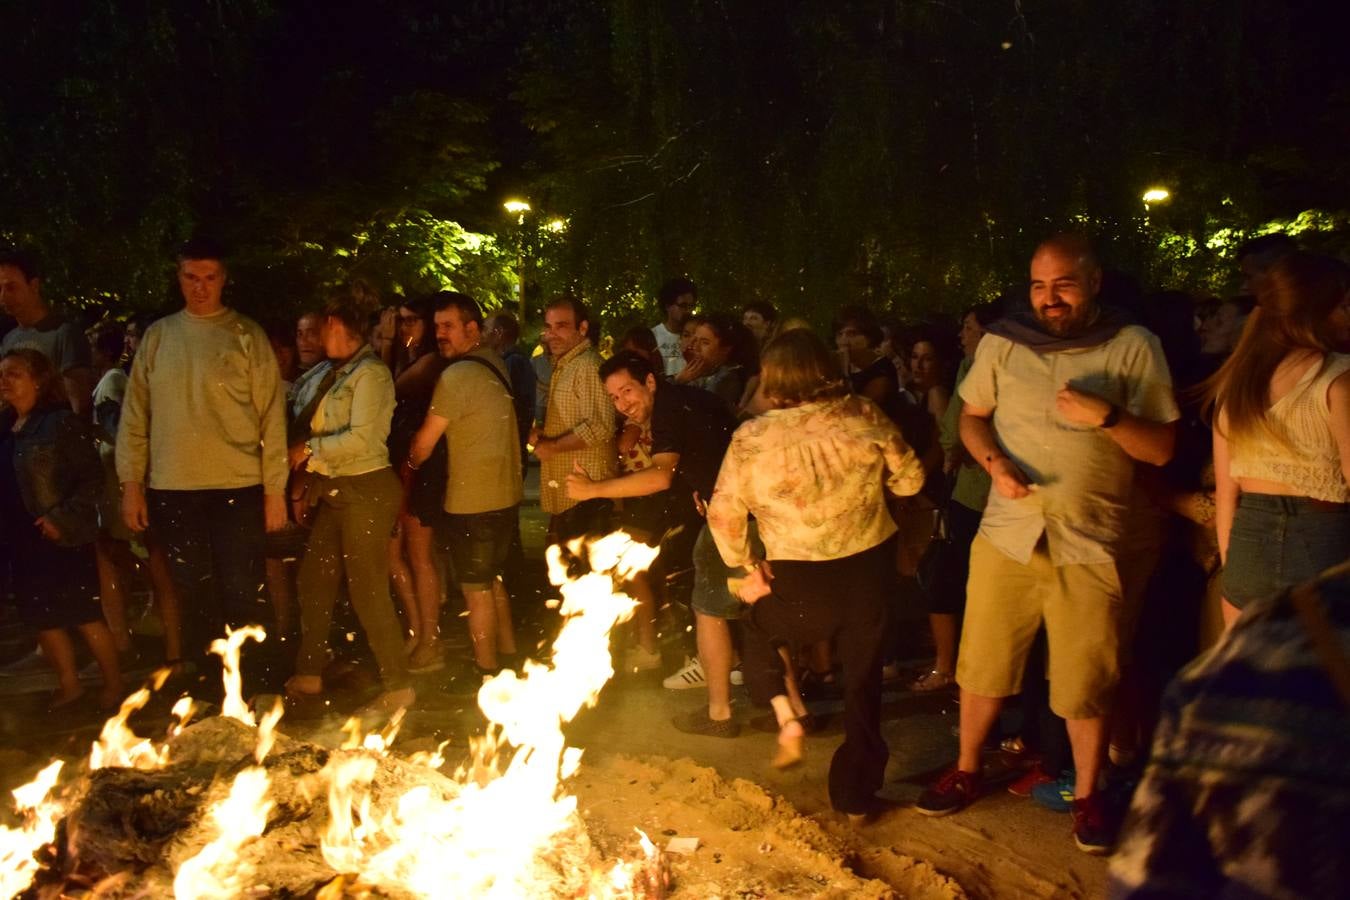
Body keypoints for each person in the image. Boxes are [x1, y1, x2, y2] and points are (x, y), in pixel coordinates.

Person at [917, 234, 1179, 856]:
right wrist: (995, 465)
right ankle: (967, 767)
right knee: (982, 662)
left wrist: (1109, 418)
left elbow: (1164, 449)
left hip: (1091, 537)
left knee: (1086, 675)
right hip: (1008, 536)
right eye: (1039, 285)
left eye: (1062, 284)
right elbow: (970, 417)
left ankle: (1089, 795)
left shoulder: (1134, 347)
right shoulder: (1005, 343)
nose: (1049, 297)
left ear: (1092, 283)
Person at [708, 330, 925, 817]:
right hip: (868, 571)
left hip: (798, 579)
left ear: (773, 380)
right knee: (862, 684)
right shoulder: (862, 415)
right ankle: (854, 796)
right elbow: (911, 479)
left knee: (760, 630)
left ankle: (786, 716)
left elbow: (723, 515)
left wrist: (748, 567)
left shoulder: (751, 438)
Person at [116, 237, 289, 693]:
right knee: (194, 592)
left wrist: (275, 491)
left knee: (242, 590)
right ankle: (214, 690)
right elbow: (135, 416)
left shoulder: (245, 335)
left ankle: (261, 684)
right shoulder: (158, 337)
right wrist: (131, 483)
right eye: (191, 277)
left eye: (209, 277)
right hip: (173, 487)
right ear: (179, 279)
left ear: (223, 280)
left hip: (239, 485)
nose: (200, 287)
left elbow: (273, 417)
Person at [566, 351, 738, 703]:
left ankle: (719, 672)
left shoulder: (670, 409)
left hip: (740, 512)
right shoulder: (677, 402)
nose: (622, 404)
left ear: (649, 382)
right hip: (728, 507)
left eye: (627, 391)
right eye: (614, 397)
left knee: (706, 592)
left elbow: (660, 477)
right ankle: (739, 669)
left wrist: (593, 489)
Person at [1205, 251, 1350, 627]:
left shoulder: (1238, 383)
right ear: (1319, 309)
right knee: (1325, 680)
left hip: (1247, 548)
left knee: (1249, 680)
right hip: (1322, 543)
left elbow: (1226, 491)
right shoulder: (1338, 379)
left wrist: (1230, 564)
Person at [285, 294, 413, 712]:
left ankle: (398, 686)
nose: (320, 335)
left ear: (348, 331)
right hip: (335, 489)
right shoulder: (328, 372)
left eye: (329, 327)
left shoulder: (371, 375)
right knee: (313, 579)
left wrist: (308, 452)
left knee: (368, 590)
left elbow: (362, 439)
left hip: (366, 489)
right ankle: (309, 673)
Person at [1, 349, 122, 710]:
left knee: (82, 613)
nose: (5, 381)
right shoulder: (6, 425)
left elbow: (91, 477)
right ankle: (70, 685)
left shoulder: (59, 423)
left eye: (14, 374)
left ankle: (113, 685)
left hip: (60, 534)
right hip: (20, 536)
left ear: (38, 379)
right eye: (2, 374)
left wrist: (63, 518)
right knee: (39, 615)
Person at [408, 293, 523, 676]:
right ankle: (506, 655)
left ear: (472, 329)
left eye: (448, 326)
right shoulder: (494, 363)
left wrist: (408, 462)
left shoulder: (456, 375)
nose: (440, 334)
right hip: (505, 497)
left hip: (472, 501)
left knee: (475, 590)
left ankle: (486, 673)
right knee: (491, 580)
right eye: (437, 326)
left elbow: (424, 444)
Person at [916, 302, 1000, 692]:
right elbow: (953, 429)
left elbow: (960, 431)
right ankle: (953, 667)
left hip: (986, 494)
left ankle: (970, 673)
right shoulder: (968, 368)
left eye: (969, 328)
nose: (962, 335)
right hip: (962, 493)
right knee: (949, 581)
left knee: (969, 587)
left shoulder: (996, 371)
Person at [384, 295, 449, 667]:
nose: (405, 328)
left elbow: (389, 389)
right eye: (401, 321)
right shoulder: (414, 358)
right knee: (395, 554)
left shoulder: (430, 362)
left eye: (412, 321)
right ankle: (418, 631)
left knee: (419, 555)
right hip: (401, 464)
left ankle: (430, 638)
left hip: (417, 467)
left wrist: (390, 343)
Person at [531, 295, 616, 544]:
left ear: (583, 328)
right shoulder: (567, 365)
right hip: (573, 493)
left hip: (588, 492)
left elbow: (601, 425)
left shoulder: (588, 365)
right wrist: (543, 434)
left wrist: (553, 446)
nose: (552, 334)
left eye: (561, 326)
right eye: (548, 327)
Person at [0, 247, 96, 415]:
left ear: (34, 285)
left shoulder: (64, 334)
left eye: (11, 287)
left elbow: (80, 404)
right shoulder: (9, 339)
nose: (3, 296)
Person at [484, 310, 537, 469]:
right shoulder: (514, 360)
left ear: (498, 333)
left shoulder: (512, 363)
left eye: (485, 329)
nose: (482, 335)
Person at [678, 313, 758, 411]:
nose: (695, 347)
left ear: (725, 349)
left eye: (705, 343)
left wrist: (679, 383)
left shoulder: (727, 379)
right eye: (695, 340)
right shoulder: (704, 373)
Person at [651, 278, 697, 377]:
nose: (688, 311)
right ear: (667, 306)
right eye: (683, 305)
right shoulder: (653, 336)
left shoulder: (698, 336)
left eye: (691, 306)